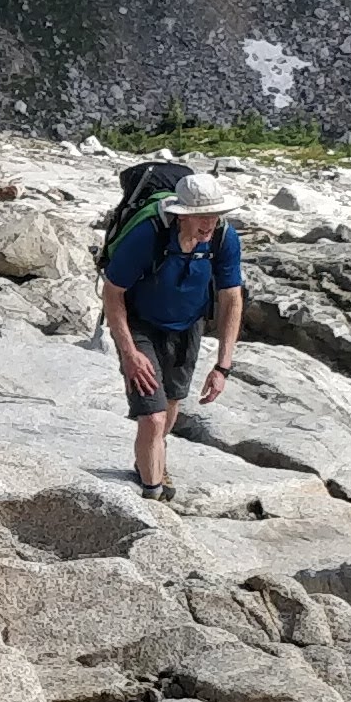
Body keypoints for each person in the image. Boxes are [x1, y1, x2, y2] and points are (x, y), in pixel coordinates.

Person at [100, 170, 244, 504]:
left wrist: (223, 367)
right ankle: (152, 494)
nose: (209, 224)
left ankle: (151, 461)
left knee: (172, 403)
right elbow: (112, 292)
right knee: (153, 416)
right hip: (139, 323)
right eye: (201, 216)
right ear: (181, 215)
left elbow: (231, 298)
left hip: (188, 325)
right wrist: (129, 353)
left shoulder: (224, 238)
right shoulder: (147, 235)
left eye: (214, 215)